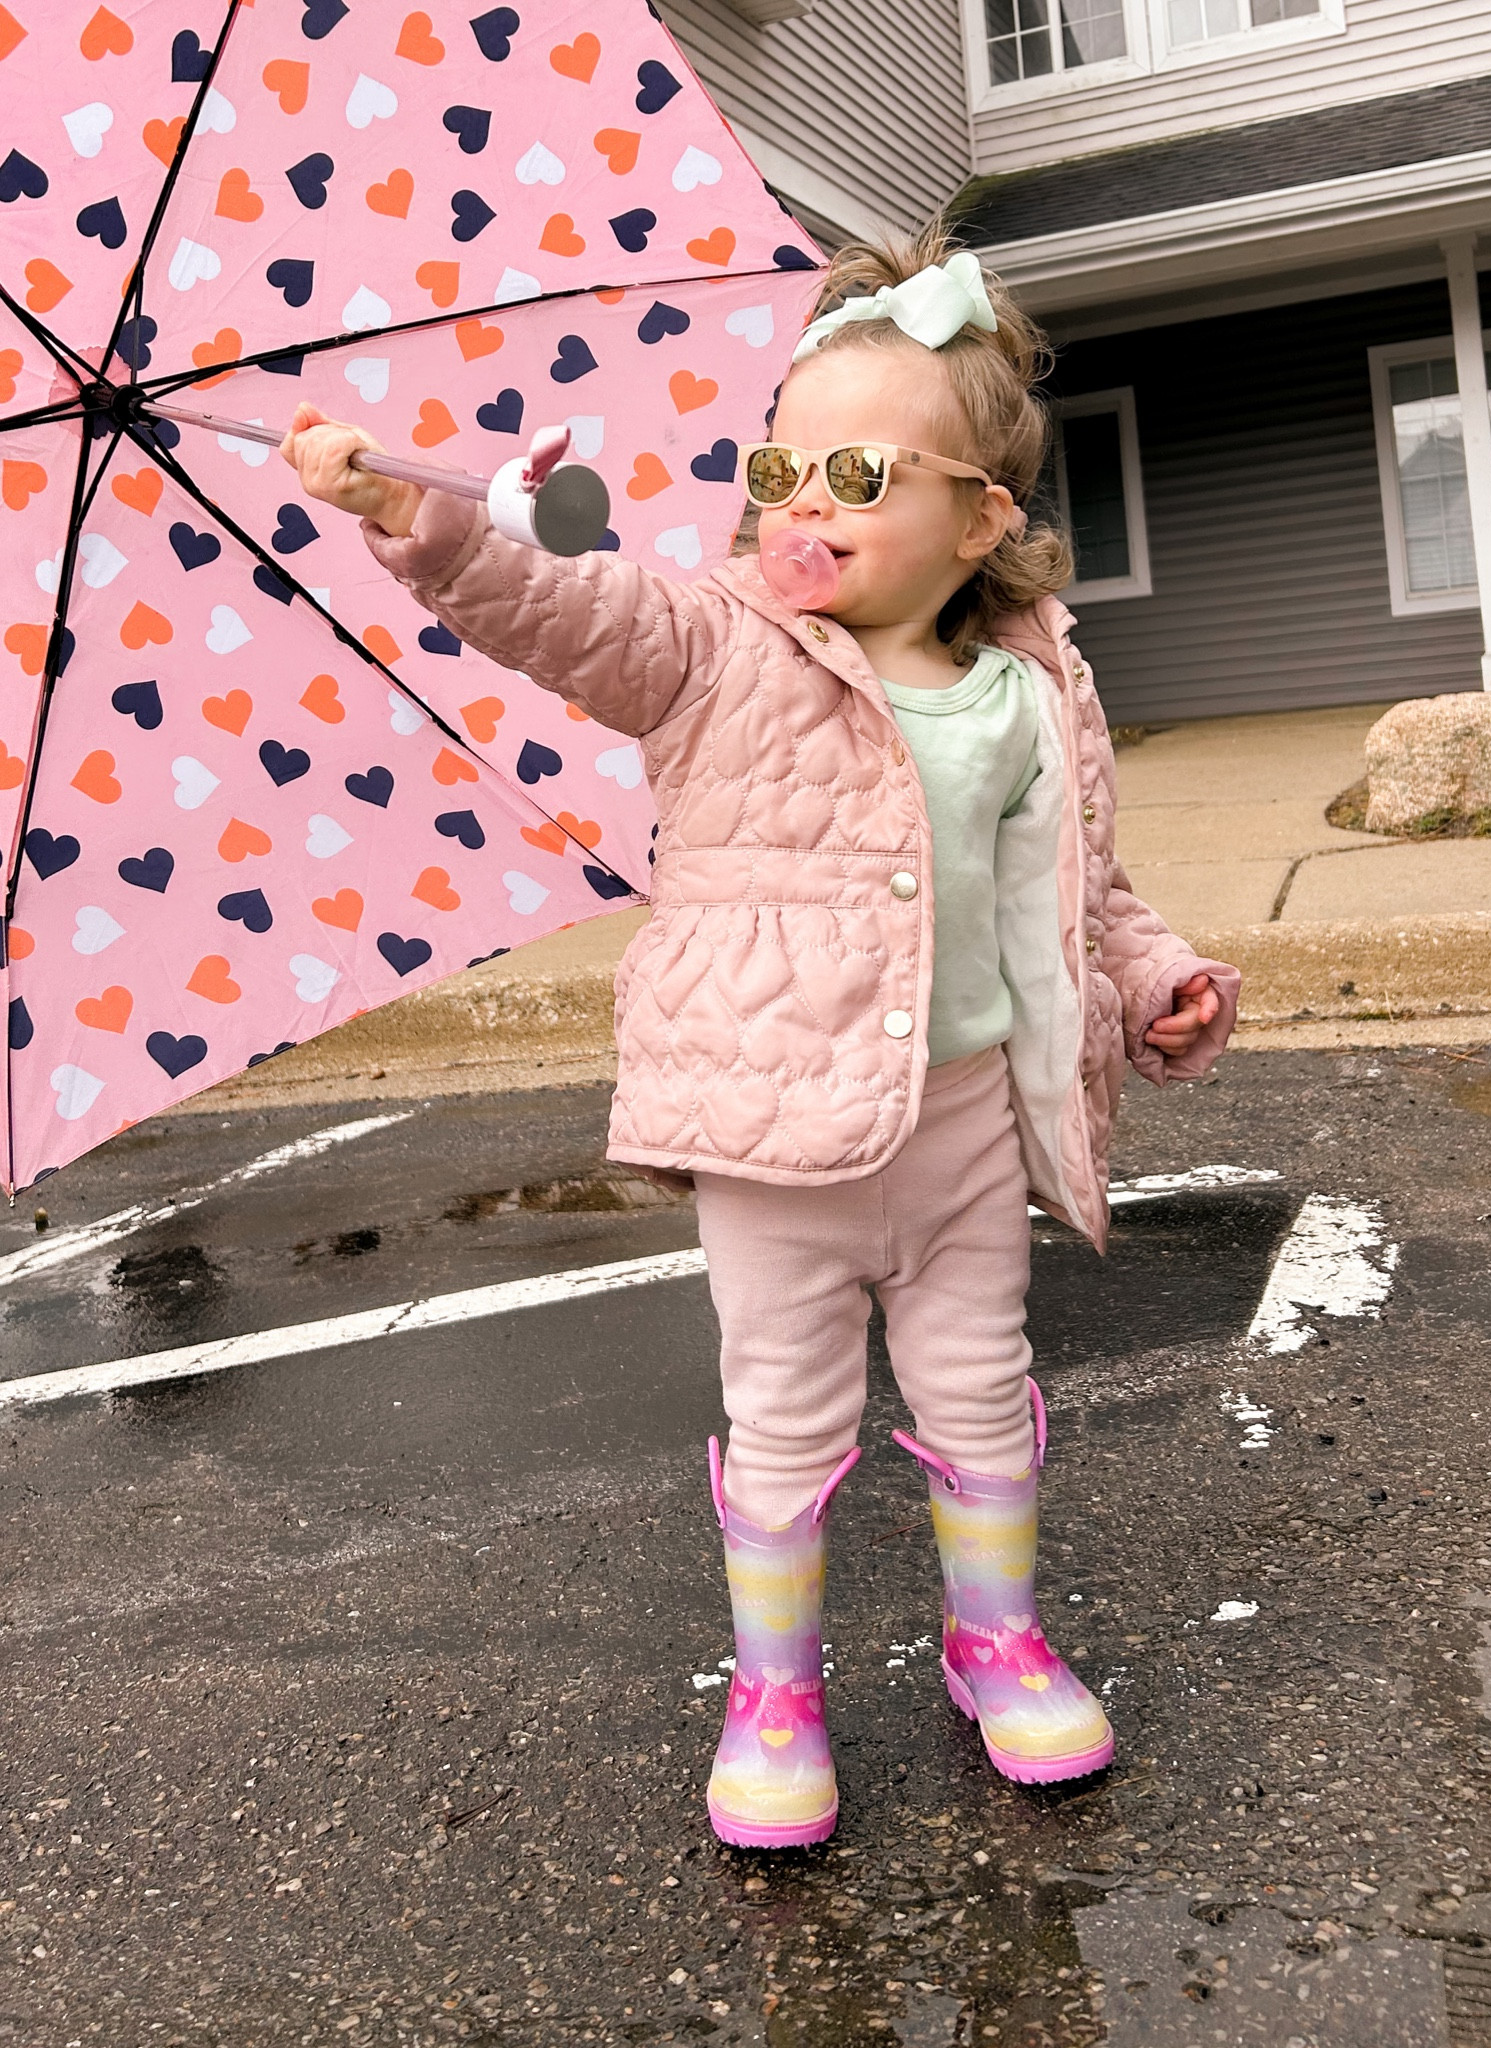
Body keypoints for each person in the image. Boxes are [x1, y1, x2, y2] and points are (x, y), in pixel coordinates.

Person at [283, 226, 1239, 1852]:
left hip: (966, 1126)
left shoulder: (1031, 688)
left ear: (981, 520)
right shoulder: (716, 646)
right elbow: (568, 605)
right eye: (780, 462)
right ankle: (775, 1689)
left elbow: (1086, 888)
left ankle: (992, 1639)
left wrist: (1152, 977)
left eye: (858, 469)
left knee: (981, 1391)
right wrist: (429, 519)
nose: (802, 499)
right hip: (772, 1131)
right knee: (787, 1411)